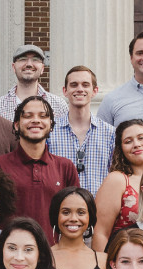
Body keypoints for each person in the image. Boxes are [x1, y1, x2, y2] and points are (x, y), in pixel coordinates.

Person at [0, 96, 79, 236]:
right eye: (28, 116)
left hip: (52, 252)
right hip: (10, 251)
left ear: (51, 125)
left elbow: (74, 216)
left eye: (43, 116)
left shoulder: (65, 167)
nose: (36, 120)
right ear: (16, 125)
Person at [48, 65, 116, 195]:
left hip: (99, 209)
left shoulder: (110, 133)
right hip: (61, 209)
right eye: (74, 85)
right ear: (65, 91)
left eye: (85, 85)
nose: (79, 89)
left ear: (95, 91)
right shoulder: (50, 132)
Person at [93, 119, 143, 251]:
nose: (136, 144)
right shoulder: (117, 180)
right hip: (124, 262)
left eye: (141, 138)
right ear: (121, 149)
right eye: (128, 141)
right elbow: (100, 233)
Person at [0, 44, 68, 124]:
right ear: (14, 67)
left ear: (42, 69)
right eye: (23, 59)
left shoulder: (59, 106)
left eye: (35, 59)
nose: (29, 64)